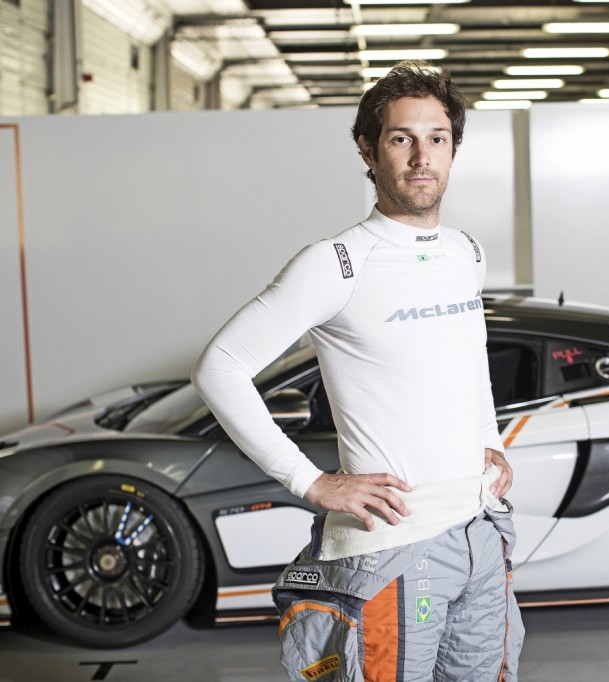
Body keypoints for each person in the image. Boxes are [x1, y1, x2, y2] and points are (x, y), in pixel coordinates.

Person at [191, 61, 524, 681]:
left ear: (453, 149)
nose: (422, 156)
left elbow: (466, 360)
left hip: (480, 531)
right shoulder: (337, 262)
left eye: (437, 138)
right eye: (401, 138)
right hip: (394, 547)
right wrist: (311, 482)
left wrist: (490, 440)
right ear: (368, 150)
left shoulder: (465, 252)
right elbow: (220, 367)